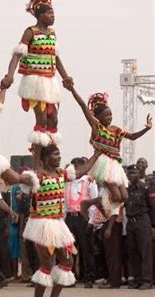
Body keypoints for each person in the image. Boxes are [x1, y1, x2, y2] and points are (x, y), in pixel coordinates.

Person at [1, 0, 73, 149]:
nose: (53, 16)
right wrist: (10, 75)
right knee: (42, 121)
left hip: (50, 81)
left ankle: (51, 155)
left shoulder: (52, 33)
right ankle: (37, 160)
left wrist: (66, 77)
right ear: (40, 16)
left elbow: (55, 57)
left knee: (53, 120)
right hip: (35, 81)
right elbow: (17, 55)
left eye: (53, 13)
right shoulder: (31, 32)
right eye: (49, 13)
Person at [65, 86, 152, 214]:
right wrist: (72, 89)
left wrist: (147, 128)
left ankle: (92, 204)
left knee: (124, 197)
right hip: (103, 164)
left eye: (110, 115)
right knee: (116, 196)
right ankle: (88, 204)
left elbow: (132, 137)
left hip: (115, 165)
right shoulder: (97, 128)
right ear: (97, 117)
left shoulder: (116, 130)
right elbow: (83, 105)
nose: (110, 117)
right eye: (106, 115)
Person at [23, 145, 78, 297]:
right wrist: (40, 138)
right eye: (55, 154)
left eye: (59, 154)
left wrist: (98, 154)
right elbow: (36, 161)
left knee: (67, 262)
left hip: (58, 224)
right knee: (46, 263)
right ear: (46, 158)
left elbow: (82, 171)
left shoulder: (62, 174)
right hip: (41, 224)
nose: (59, 157)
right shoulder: (38, 176)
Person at [64, 157, 98, 287]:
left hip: (83, 218)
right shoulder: (67, 182)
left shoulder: (89, 181)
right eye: (74, 166)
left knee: (86, 249)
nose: (76, 169)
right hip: (69, 217)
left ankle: (89, 278)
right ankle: (70, 277)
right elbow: (64, 202)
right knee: (69, 249)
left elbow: (95, 202)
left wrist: (91, 221)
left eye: (78, 166)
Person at [125, 165, 153, 290]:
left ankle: (147, 280)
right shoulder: (127, 189)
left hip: (142, 221)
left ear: (139, 173)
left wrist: (152, 225)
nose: (132, 175)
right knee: (133, 252)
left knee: (145, 252)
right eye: (130, 173)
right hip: (130, 223)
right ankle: (137, 279)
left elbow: (152, 207)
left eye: (135, 173)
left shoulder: (145, 188)